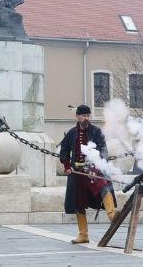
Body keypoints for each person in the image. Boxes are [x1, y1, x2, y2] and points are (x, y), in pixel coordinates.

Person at [58, 104, 117, 244]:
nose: (86, 118)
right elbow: (64, 150)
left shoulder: (96, 132)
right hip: (77, 172)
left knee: (103, 187)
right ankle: (83, 235)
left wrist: (95, 169)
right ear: (77, 116)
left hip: (94, 170)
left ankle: (113, 216)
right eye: (83, 115)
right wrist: (67, 166)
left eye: (87, 115)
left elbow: (103, 151)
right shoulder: (72, 133)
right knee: (79, 201)